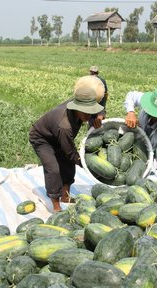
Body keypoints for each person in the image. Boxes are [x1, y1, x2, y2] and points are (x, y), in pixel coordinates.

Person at [29, 75, 105, 212]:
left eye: (91, 112)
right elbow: (70, 151)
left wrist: (100, 114)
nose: (89, 116)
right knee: (54, 169)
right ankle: (56, 205)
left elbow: (99, 103)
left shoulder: (80, 101)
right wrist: (85, 163)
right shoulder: (64, 125)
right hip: (42, 139)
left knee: (68, 165)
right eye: (87, 113)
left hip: (58, 136)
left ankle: (66, 196)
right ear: (77, 108)